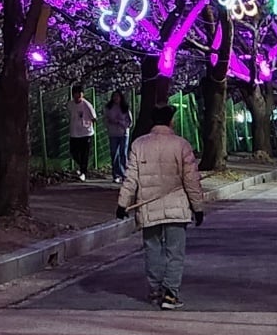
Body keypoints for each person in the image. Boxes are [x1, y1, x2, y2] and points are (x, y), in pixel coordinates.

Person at [116, 104, 205, 309]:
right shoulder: (181, 145)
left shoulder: (139, 145)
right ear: (170, 121)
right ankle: (171, 294)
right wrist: (197, 207)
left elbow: (131, 178)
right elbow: (191, 180)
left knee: (152, 249)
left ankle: (155, 289)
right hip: (176, 207)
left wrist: (123, 204)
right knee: (175, 252)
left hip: (149, 207)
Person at [68, 85, 97, 181]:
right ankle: (82, 167)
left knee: (85, 153)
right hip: (74, 132)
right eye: (75, 94)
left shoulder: (87, 105)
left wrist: (88, 124)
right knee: (74, 152)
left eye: (79, 94)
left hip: (86, 133)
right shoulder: (70, 104)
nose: (77, 96)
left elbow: (94, 117)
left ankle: (83, 172)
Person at [104, 91, 132, 183]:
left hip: (123, 133)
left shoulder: (125, 108)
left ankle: (125, 174)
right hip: (113, 133)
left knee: (123, 153)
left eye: (117, 96)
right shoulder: (109, 108)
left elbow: (130, 121)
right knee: (114, 153)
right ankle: (116, 174)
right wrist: (110, 124)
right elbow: (106, 119)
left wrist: (122, 124)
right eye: (114, 96)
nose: (116, 98)